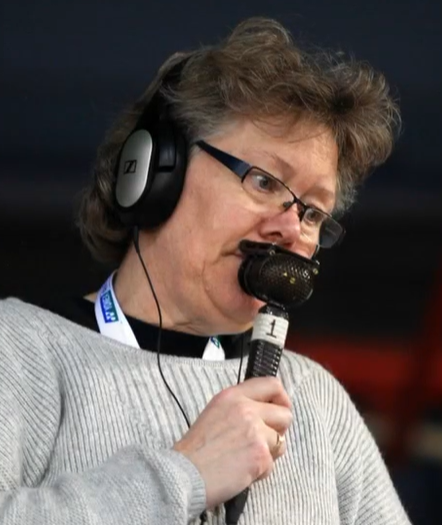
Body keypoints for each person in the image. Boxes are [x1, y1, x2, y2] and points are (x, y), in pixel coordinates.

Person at [0, 16, 411, 525]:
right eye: (264, 182)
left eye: (312, 212)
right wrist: (186, 475)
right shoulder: (19, 347)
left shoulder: (316, 402)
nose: (291, 227)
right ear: (156, 173)